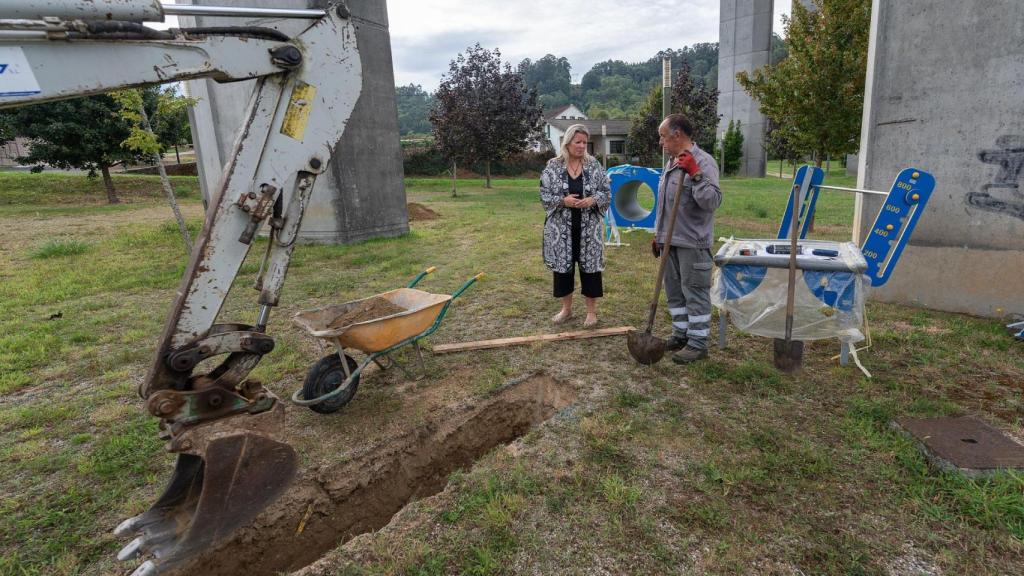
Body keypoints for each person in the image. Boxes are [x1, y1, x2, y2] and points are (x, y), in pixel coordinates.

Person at [652, 114, 722, 364]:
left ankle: (698, 343)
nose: (660, 141)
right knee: (674, 293)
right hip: (671, 240)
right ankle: (681, 334)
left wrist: (695, 174)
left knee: (694, 293)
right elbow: (665, 203)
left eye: (663, 136)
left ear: (677, 134)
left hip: (693, 242)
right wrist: (658, 234)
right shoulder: (671, 162)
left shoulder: (704, 162)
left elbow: (712, 201)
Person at [540, 123, 611, 328]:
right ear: (568, 142)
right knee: (563, 270)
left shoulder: (594, 165)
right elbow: (544, 194)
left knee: (591, 270)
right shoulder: (553, 166)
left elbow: (606, 191)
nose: (582, 146)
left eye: (585, 142)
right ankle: (566, 309)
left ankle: (591, 312)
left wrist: (593, 200)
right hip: (561, 229)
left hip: (589, 228)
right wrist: (563, 201)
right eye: (578, 142)